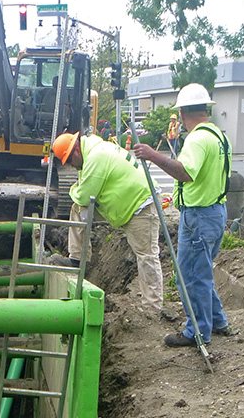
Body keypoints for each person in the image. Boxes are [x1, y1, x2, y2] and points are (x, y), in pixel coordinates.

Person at [131, 83, 236, 348]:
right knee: (201, 272)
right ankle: (217, 320)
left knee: (189, 276)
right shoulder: (219, 136)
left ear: (185, 114)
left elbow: (185, 172)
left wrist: (152, 155)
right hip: (215, 212)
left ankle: (197, 332)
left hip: (200, 216)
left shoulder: (198, 139)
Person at [51, 128, 165, 313]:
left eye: (69, 160)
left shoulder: (96, 156)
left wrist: (75, 191)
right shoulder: (92, 153)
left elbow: (83, 195)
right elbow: (81, 198)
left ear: (76, 150)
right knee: (77, 210)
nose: (71, 166)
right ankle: (78, 259)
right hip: (126, 203)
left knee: (146, 255)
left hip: (140, 205)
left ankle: (152, 307)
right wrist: (78, 193)